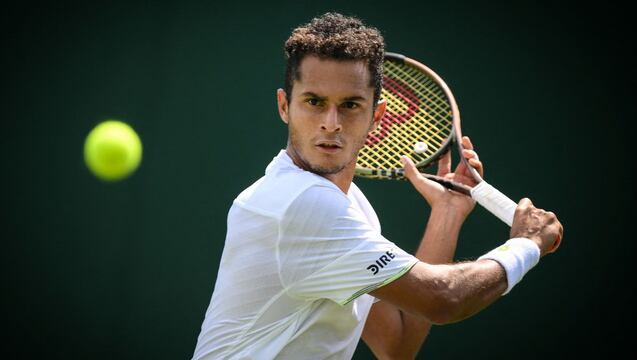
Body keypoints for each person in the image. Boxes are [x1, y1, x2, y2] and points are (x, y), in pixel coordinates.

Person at [192, 12, 563, 360]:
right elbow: (443, 299)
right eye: (314, 102)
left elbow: (397, 344)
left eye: (350, 105)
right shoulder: (301, 204)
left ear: (377, 116)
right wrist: (525, 245)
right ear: (284, 106)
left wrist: (446, 215)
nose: (331, 122)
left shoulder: (351, 205)